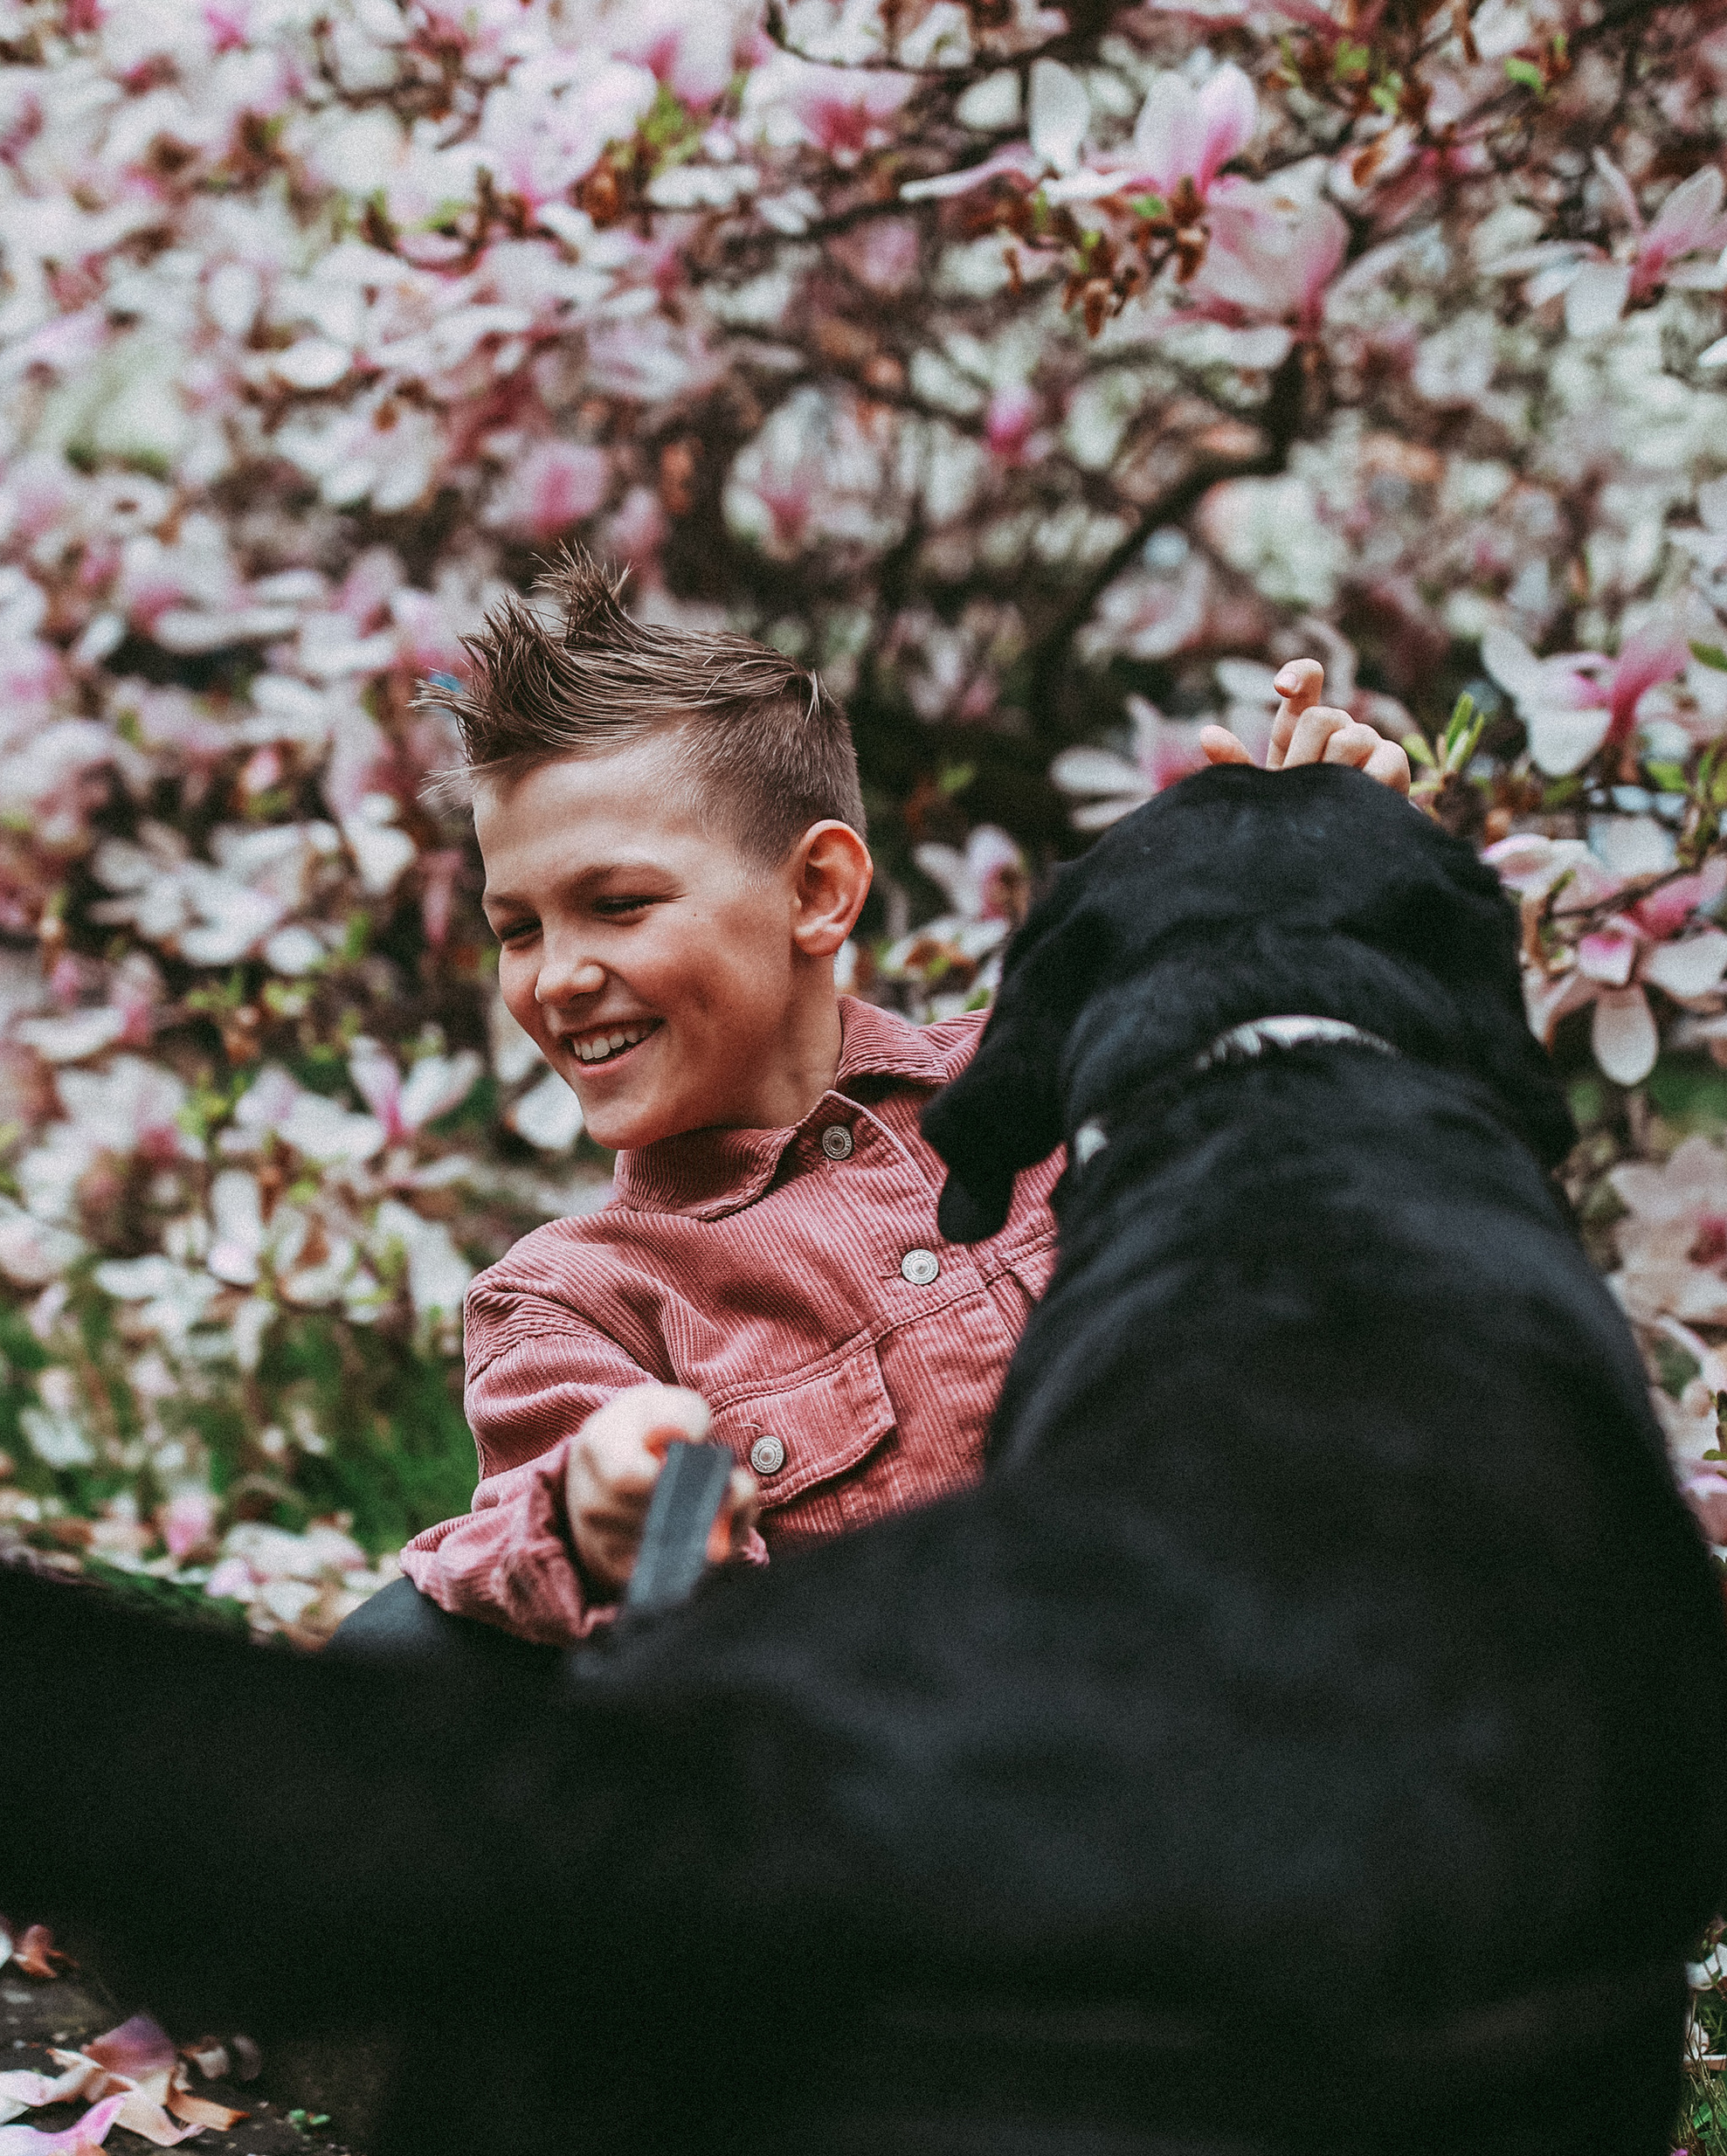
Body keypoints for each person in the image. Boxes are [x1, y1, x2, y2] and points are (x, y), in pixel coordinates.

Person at [333, 553, 1409, 1662]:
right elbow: (529, 1566)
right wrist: (589, 1511)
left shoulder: (1064, 1069)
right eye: (517, 929)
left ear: (816, 893)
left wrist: (1340, 907)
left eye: (616, 905)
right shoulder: (573, 1304)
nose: (554, 976)